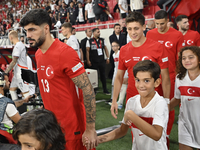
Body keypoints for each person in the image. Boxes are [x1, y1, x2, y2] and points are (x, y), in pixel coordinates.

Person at [20, 9, 97, 150]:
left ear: (46, 28)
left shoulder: (65, 53)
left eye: (32, 30)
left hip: (72, 128)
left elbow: (87, 89)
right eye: (26, 31)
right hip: (51, 128)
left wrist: (91, 128)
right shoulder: (38, 54)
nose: (28, 35)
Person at [93, 60, 169, 150]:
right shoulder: (132, 102)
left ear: (156, 82)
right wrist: (97, 140)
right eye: (138, 80)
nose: (141, 85)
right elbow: (122, 131)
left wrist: (131, 115)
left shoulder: (160, 103)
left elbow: (156, 135)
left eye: (147, 81)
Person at [111, 12, 170, 119]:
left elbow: (165, 77)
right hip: (132, 99)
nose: (133, 32)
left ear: (143, 27)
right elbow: (119, 77)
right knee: (135, 133)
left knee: (156, 134)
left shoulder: (157, 47)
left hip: (154, 99)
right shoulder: (124, 50)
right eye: (129, 29)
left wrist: (166, 100)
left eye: (136, 28)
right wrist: (115, 100)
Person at [146, 10, 184, 145]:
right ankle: (152, 133)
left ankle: (165, 134)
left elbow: (180, 57)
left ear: (167, 21)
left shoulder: (177, 35)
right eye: (157, 24)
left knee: (168, 105)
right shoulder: (150, 33)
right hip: (154, 76)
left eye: (162, 24)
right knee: (152, 105)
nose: (160, 27)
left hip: (171, 75)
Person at [170, 46, 200, 150]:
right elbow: (177, 99)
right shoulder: (180, 77)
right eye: (184, 58)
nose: (187, 60)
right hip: (185, 123)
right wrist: (162, 109)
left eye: (191, 57)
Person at [0, 69, 30, 144]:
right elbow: (21, 122)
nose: (9, 82)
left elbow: (8, 105)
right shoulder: (7, 103)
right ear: (2, 84)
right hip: (7, 141)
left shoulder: (6, 103)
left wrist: (23, 101)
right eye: (7, 81)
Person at [5, 30, 30, 101]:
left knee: (26, 93)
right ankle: (16, 107)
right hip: (17, 73)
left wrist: (6, 72)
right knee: (12, 90)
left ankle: (31, 110)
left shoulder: (18, 46)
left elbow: (14, 61)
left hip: (21, 73)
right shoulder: (19, 45)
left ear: (10, 37)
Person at [86, 28, 110, 95]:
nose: (99, 33)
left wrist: (107, 57)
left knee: (103, 75)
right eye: (98, 32)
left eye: (99, 32)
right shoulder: (89, 41)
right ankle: (94, 90)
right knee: (94, 76)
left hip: (101, 60)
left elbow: (105, 48)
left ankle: (105, 89)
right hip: (93, 61)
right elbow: (87, 51)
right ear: (94, 33)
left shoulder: (102, 40)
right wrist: (88, 60)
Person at [109, 41, 128, 109]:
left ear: (118, 46)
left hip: (123, 72)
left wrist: (126, 74)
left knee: (123, 85)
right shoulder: (113, 55)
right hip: (116, 71)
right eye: (112, 46)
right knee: (114, 84)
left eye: (114, 46)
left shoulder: (121, 53)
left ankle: (120, 103)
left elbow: (125, 64)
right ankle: (114, 100)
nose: (113, 47)